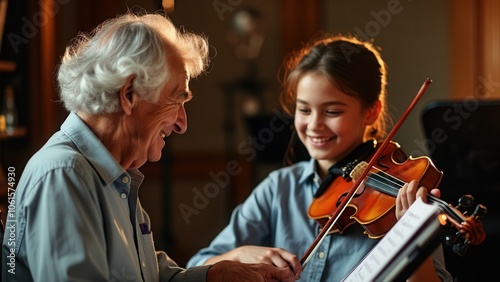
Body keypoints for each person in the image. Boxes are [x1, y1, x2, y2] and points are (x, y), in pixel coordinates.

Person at [1, 12, 296, 282]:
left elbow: (150, 277)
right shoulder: (65, 174)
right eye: (177, 100)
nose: (182, 123)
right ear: (129, 94)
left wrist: (215, 276)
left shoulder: (114, 172)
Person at [187, 34, 453, 282]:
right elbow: (196, 267)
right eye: (304, 110)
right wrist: (238, 255)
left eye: (332, 112)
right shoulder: (278, 189)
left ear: (371, 112)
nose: (314, 125)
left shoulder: (401, 194)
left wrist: (411, 234)